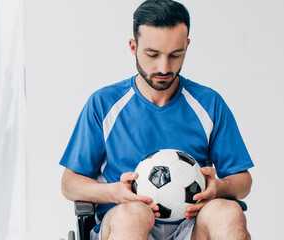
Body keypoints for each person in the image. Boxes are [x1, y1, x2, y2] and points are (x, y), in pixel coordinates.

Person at [59, 1, 254, 239]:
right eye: (152, 55)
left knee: (228, 212)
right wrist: (115, 193)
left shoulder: (209, 103)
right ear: (133, 47)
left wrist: (219, 188)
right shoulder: (104, 103)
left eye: (175, 55)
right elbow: (69, 183)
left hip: (192, 225)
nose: (164, 67)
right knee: (131, 216)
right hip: (126, 220)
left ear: (187, 46)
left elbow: (243, 180)